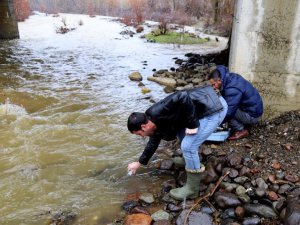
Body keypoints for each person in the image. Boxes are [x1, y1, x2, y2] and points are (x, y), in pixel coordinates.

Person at [127, 85, 228, 200]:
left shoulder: (157, 111)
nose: (141, 136)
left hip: (213, 108)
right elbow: (153, 142)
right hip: (202, 108)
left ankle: (192, 189)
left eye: (139, 133)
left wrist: (193, 125)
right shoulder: (152, 123)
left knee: (188, 147)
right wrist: (139, 163)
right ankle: (188, 160)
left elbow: (182, 95)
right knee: (181, 133)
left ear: (143, 127)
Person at [208, 65, 263, 140]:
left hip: (252, 115)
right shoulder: (229, 78)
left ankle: (241, 130)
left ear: (219, 80)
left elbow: (229, 112)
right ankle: (241, 124)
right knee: (224, 107)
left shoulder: (232, 88)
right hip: (252, 109)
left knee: (227, 112)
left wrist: (215, 124)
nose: (213, 87)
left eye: (213, 85)